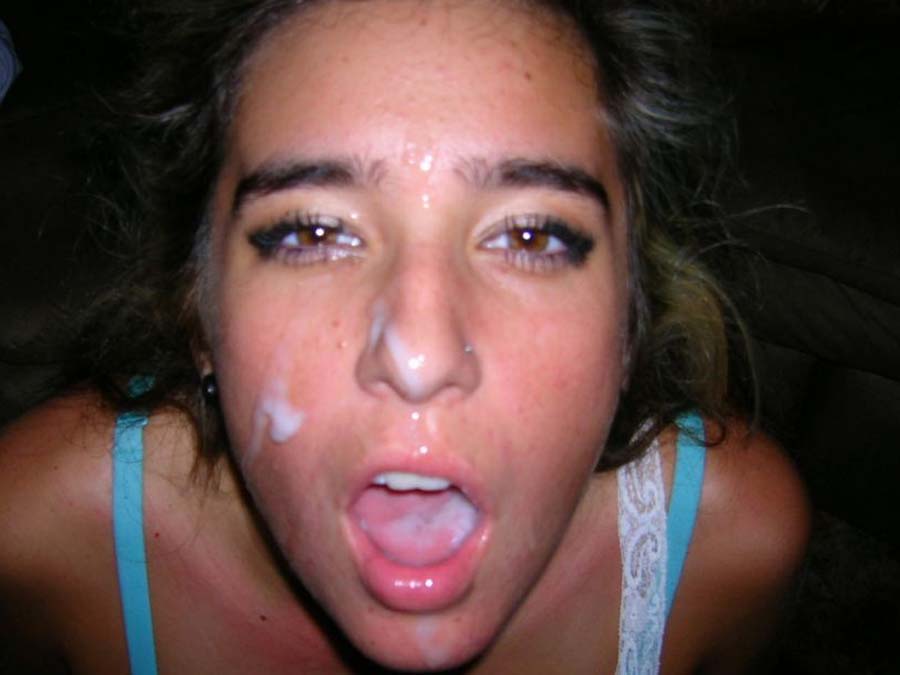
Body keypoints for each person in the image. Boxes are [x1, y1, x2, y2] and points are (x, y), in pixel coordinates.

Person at [0, 0, 810, 672]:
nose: (420, 356)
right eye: (313, 232)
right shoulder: (35, 535)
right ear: (196, 307)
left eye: (530, 235)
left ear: (632, 316)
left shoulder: (731, 543)